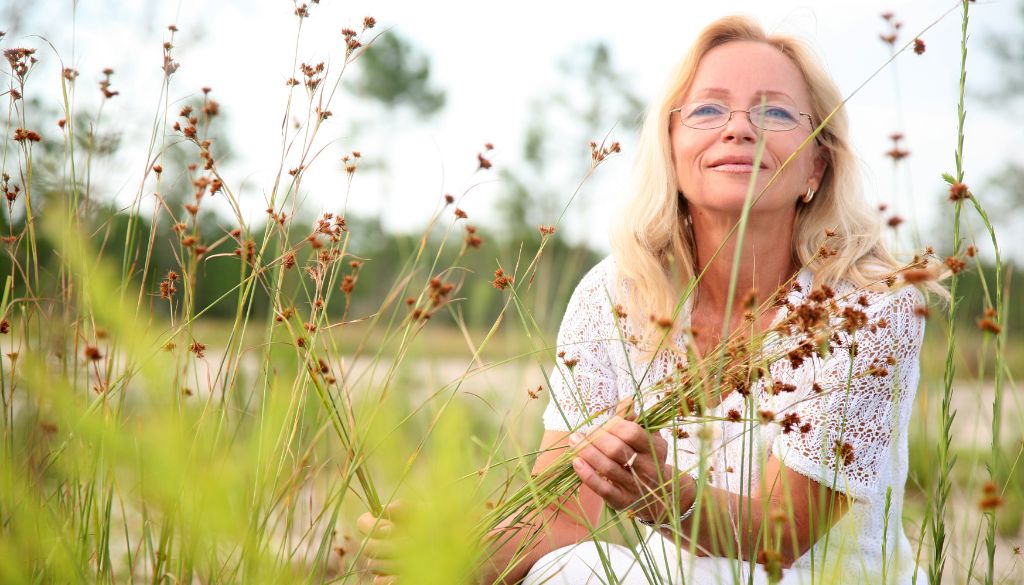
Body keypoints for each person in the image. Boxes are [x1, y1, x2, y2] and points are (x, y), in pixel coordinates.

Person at [359, 15, 930, 585]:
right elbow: (561, 517)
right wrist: (449, 553)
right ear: (671, 148)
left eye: (775, 111)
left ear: (817, 163)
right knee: (565, 570)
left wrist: (661, 495)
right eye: (708, 110)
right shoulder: (615, 293)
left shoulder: (869, 307)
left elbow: (781, 537)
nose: (738, 129)